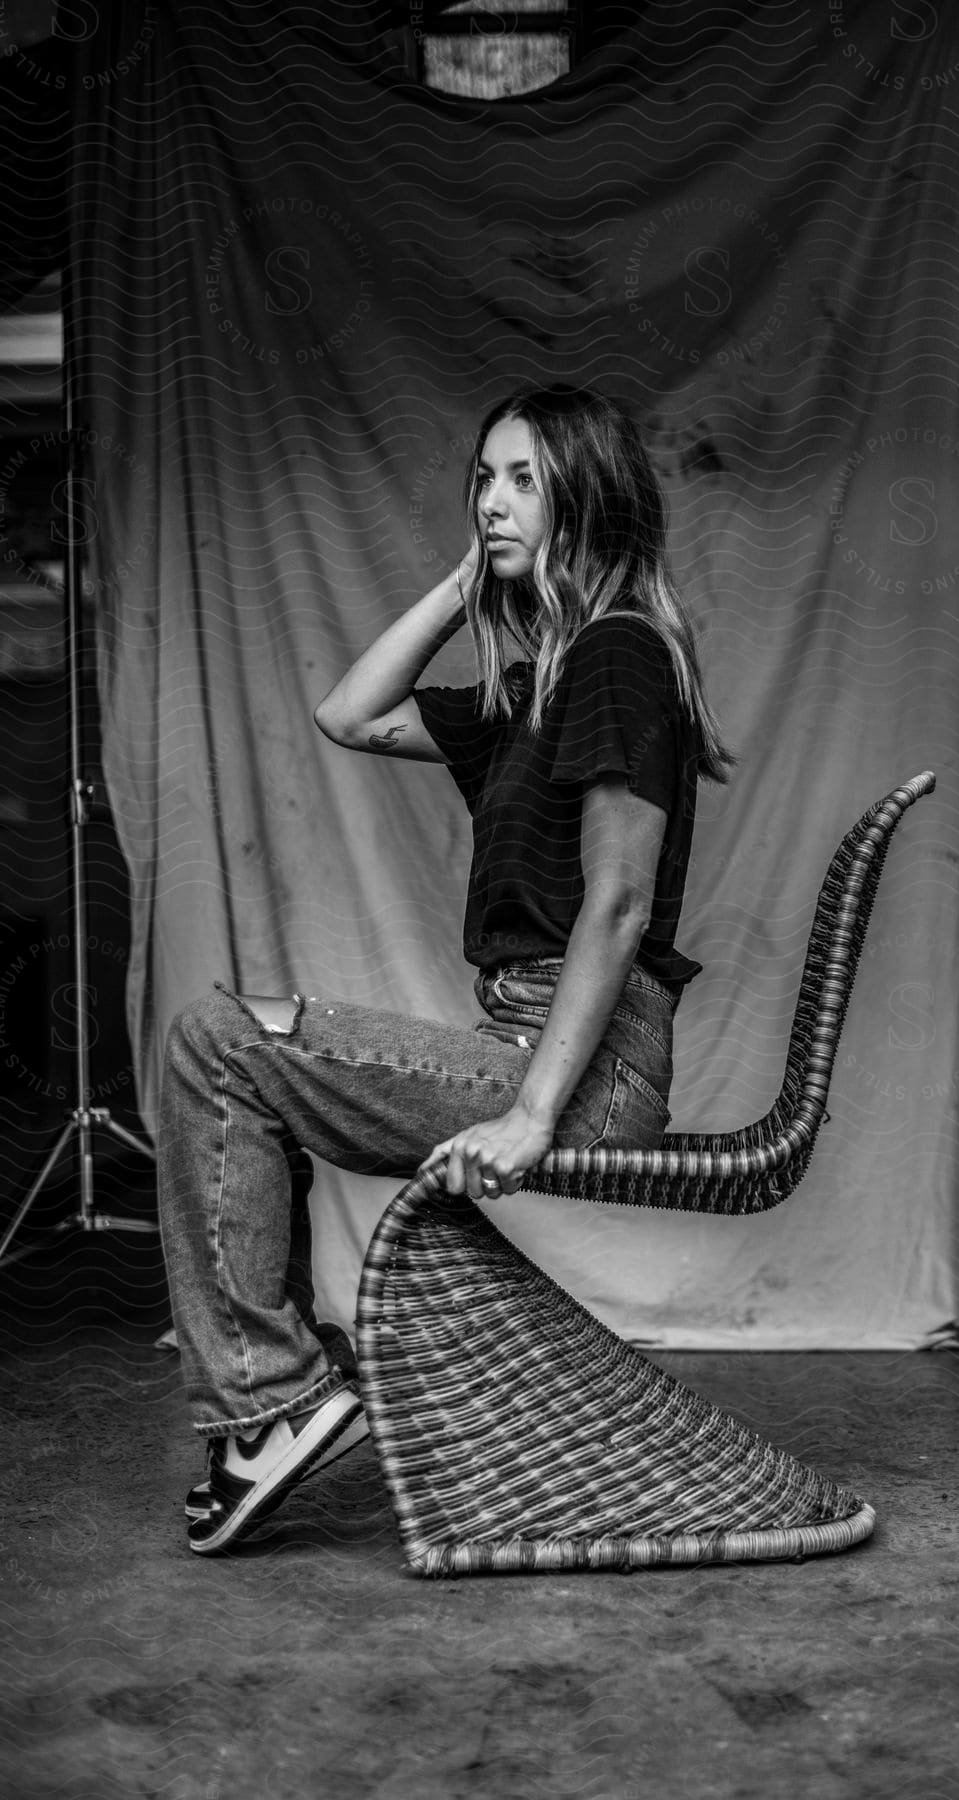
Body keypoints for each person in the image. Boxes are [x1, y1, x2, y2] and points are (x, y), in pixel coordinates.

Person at [158, 385, 735, 1555]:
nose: (492, 502)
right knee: (226, 1046)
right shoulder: (537, 689)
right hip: (531, 1043)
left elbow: (617, 906)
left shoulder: (621, 656)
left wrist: (533, 1112)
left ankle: (272, 1404)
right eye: (482, 479)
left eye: (524, 479)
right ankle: (277, 1397)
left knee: (219, 1045)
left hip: (582, 1066)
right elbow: (349, 713)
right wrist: (471, 580)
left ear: (590, 497)